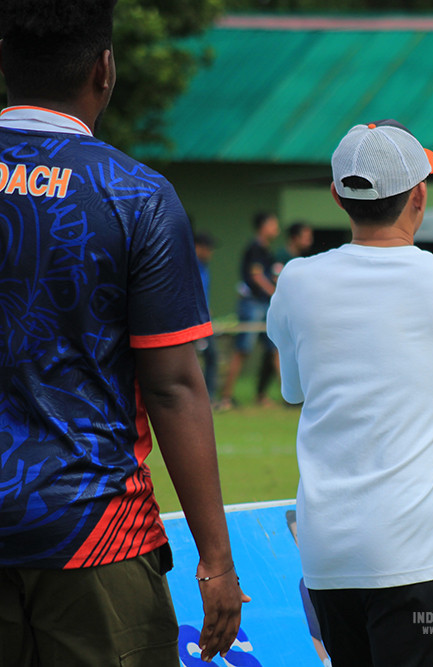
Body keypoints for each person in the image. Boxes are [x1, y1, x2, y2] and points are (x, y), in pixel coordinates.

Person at [0, 1, 246, 664]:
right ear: (104, 69)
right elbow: (172, 387)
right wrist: (216, 560)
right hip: (96, 533)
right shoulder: (136, 194)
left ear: (3, 63)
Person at [266, 119, 433, 666]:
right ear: (419, 196)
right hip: (420, 553)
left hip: (327, 552)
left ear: (338, 196)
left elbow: (293, 389)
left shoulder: (296, 280)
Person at [218, 211, 281, 409]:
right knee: (242, 350)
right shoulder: (254, 248)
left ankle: (290, 399)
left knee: (276, 349)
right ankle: (226, 398)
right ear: (263, 226)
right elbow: (257, 277)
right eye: (273, 224)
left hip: (264, 304)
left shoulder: (266, 250)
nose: (276, 229)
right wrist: (275, 293)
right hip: (252, 304)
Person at [195, 232, 219, 402]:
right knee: (194, 360)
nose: (210, 252)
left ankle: (208, 397)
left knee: (212, 356)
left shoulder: (204, 267)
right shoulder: (189, 266)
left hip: (204, 321)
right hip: (193, 322)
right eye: (208, 248)